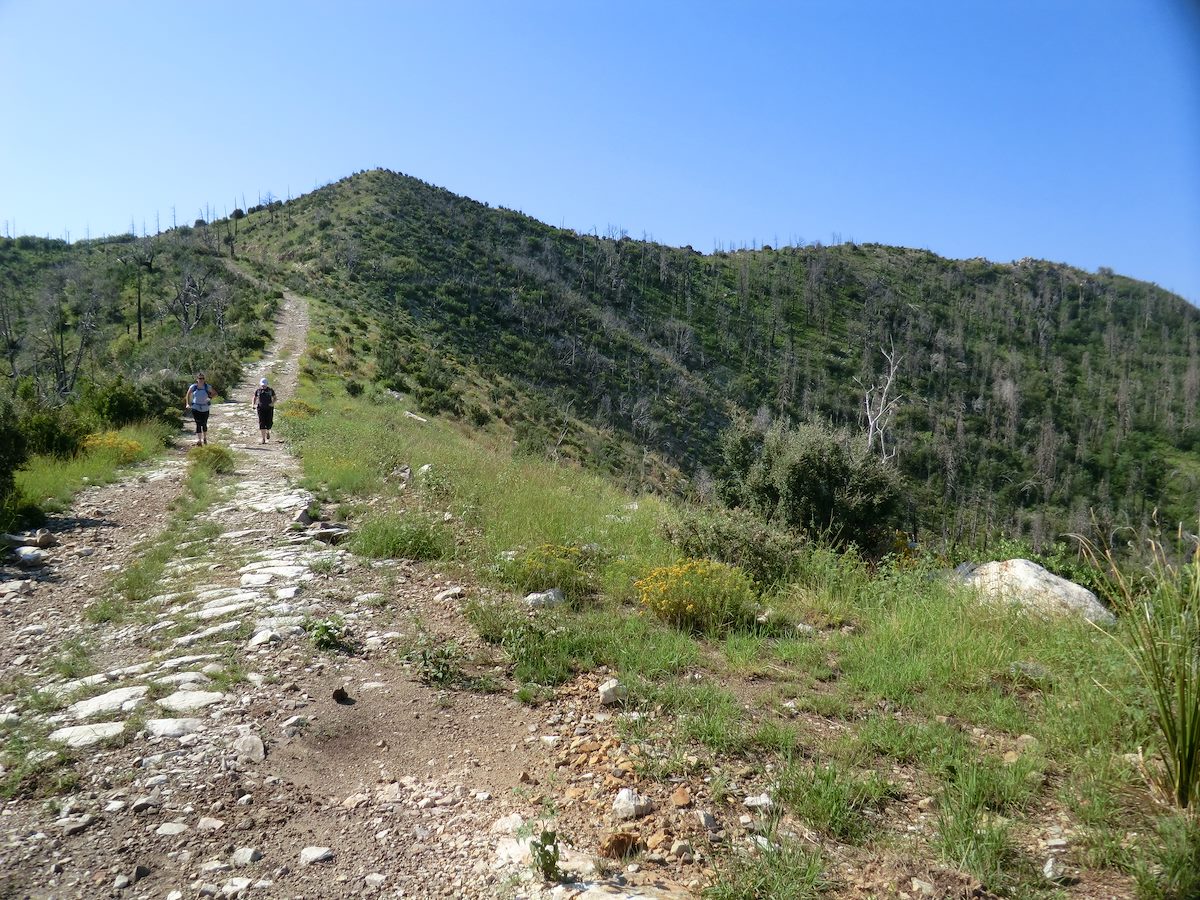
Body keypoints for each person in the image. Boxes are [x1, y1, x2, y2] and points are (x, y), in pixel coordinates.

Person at [185, 373, 217, 446]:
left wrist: (209, 398)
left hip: (205, 408)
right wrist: (187, 403)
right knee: (198, 423)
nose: (201, 380)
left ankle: (204, 438)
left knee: (204, 423)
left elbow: (215, 393)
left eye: (203, 378)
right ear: (197, 379)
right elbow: (188, 394)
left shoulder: (207, 387)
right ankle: (199, 440)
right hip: (195, 407)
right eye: (200, 378)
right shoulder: (193, 387)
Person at [253, 377, 277, 444]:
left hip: (269, 409)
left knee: (269, 422)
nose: (263, 386)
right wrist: (253, 404)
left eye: (264, 385)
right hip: (260, 409)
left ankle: (268, 431)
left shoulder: (270, 390)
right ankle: (263, 439)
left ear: (267, 384)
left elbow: (275, 398)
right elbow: (254, 397)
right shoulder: (258, 391)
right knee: (262, 423)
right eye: (262, 385)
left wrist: (272, 403)